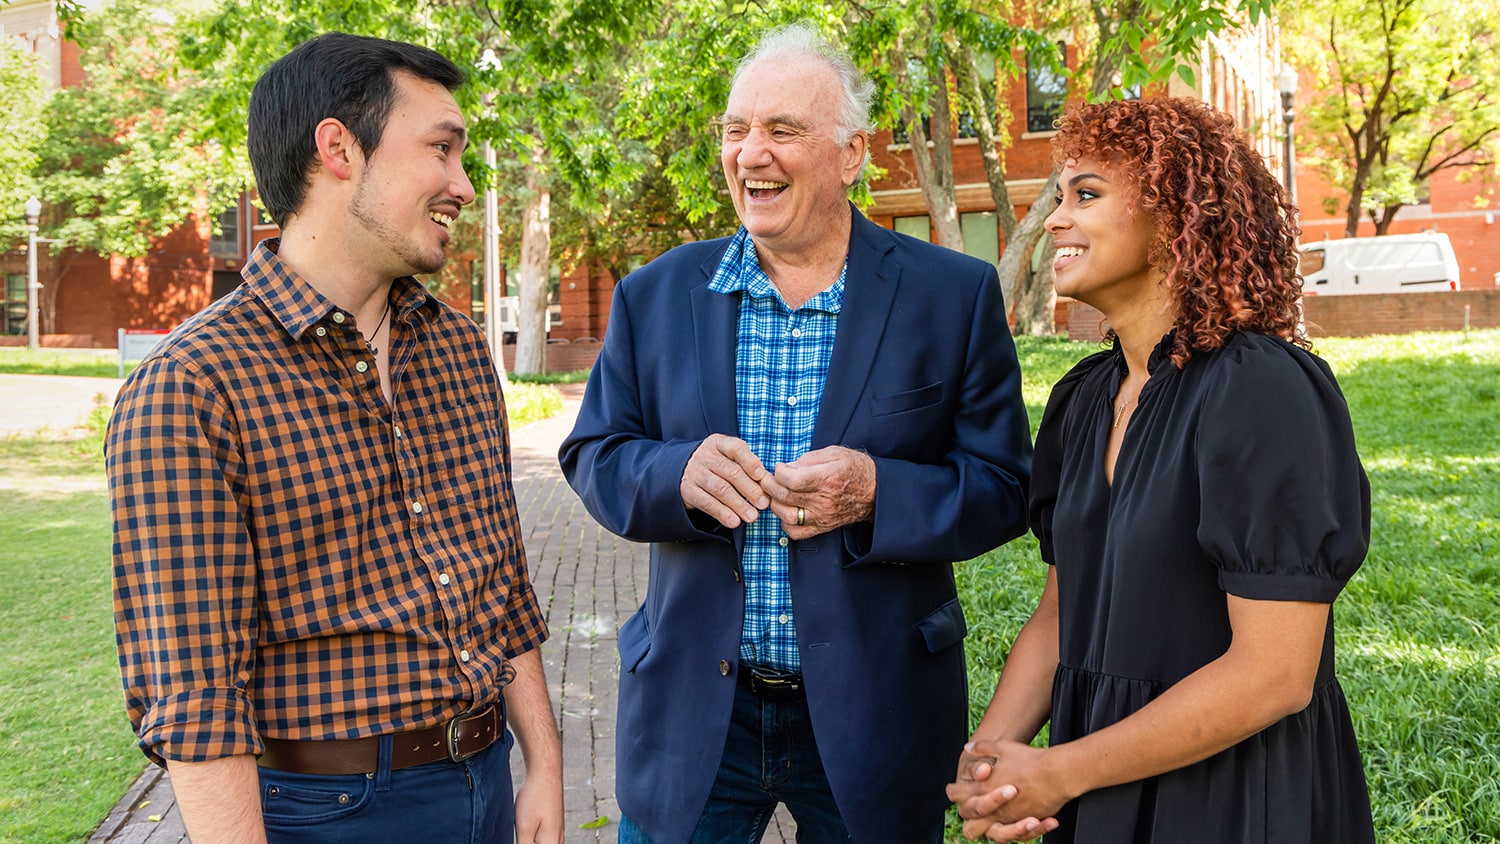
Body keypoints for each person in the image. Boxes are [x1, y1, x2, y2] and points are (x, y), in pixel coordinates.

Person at [558, 23, 1033, 844]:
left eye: (782, 130)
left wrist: (882, 492)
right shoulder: (655, 294)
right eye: (737, 130)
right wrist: (674, 477)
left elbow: (1005, 487)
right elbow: (594, 453)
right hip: (697, 711)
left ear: (850, 155)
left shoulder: (951, 296)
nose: (751, 153)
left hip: (876, 711)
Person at [106, 33, 563, 844]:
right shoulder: (190, 388)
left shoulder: (456, 348)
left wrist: (545, 769)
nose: (462, 184)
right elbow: (197, 700)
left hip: (486, 780)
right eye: (442, 148)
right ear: (338, 148)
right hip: (328, 814)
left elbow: (503, 585)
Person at [946, 97, 1376, 843]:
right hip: (1100, 780)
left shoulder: (1259, 389)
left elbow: (1274, 675)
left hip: (1233, 796)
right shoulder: (1083, 398)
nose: (1053, 221)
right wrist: (992, 767)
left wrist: (1069, 768)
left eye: (1086, 194)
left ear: (1174, 214)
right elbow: (1058, 616)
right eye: (1058, 198)